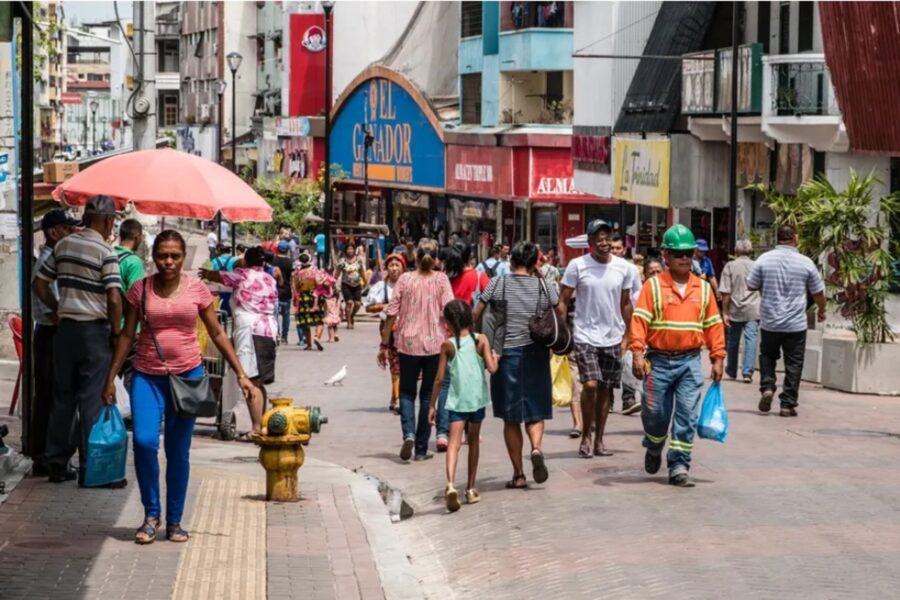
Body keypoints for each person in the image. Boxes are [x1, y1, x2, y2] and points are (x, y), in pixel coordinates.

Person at [103, 230, 258, 545]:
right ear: (154, 256)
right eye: (162, 255)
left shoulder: (197, 290)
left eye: (174, 255)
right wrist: (111, 376)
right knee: (145, 443)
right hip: (147, 376)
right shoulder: (140, 289)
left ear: (183, 257)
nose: (168, 262)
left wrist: (241, 373)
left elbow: (216, 332)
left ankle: (174, 521)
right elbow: (126, 335)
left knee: (177, 451)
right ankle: (150, 514)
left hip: (188, 378)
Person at [33, 195, 123, 486]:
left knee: (63, 398)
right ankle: (90, 469)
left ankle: (57, 464)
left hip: (66, 331)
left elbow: (39, 284)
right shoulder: (105, 251)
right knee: (91, 401)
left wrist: (59, 308)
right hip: (94, 333)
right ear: (108, 221)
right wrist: (116, 329)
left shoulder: (63, 245)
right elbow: (113, 296)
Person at [630, 225, 725, 487]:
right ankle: (654, 445)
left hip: (690, 362)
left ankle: (679, 464)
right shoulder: (653, 286)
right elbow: (639, 321)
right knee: (655, 414)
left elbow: (714, 325)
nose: (684, 258)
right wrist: (637, 353)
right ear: (666, 256)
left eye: (688, 253)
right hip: (657, 362)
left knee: (686, 415)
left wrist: (718, 358)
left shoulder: (703, 289)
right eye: (678, 253)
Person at [474, 241, 557, 489]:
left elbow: (477, 311)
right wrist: (540, 274)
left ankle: (519, 474)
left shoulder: (498, 283)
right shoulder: (545, 285)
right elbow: (556, 304)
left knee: (511, 418)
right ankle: (536, 449)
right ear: (534, 263)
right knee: (536, 411)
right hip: (537, 353)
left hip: (504, 354)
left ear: (511, 262)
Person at [558, 221, 634, 459]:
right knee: (590, 384)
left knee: (605, 390)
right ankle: (585, 436)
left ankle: (599, 439)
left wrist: (628, 336)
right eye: (598, 238)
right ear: (589, 242)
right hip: (584, 335)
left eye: (607, 237)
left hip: (612, 337)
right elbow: (563, 300)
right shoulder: (577, 266)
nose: (604, 242)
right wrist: (562, 333)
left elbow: (626, 303)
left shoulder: (624, 268)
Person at [379, 239, 453, 462]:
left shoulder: (405, 279)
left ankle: (408, 434)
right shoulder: (441, 280)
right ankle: (421, 448)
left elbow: (391, 313)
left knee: (407, 392)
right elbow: (450, 309)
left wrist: (384, 344)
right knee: (428, 395)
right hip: (435, 345)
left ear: (416, 258)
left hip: (407, 343)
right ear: (435, 258)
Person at [747, 225, 826, 417]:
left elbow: (751, 284)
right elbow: (818, 292)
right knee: (794, 363)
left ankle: (767, 386)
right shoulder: (806, 263)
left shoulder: (764, 260)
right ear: (795, 238)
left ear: (778, 238)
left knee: (767, 356)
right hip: (795, 324)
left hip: (770, 321)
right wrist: (822, 310)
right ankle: (787, 404)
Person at [429, 300, 498, 512]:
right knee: (474, 442)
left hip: (457, 401)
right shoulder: (481, 340)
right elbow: (492, 368)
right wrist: (495, 356)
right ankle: (470, 488)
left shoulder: (448, 345)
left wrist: (432, 405)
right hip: (477, 400)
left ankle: (450, 485)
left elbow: (439, 379)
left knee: (453, 443)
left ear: (448, 323)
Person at [200, 247, 277, 436]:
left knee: (249, 379)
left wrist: (207, 273)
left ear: (246, 261)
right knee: (258, 380)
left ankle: (257, 429)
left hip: (249, 329)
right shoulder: (269, 278)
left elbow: (219, 277)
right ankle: (262, 424)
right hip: (269, 329)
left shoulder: (242, 275)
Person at [30, 209, 79, 476]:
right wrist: (57, 311)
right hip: (49, 332)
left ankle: (46, 455)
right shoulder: (49, 257)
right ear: (53, 232)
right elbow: (39, 286)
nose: (71, 232)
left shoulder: (56, 256)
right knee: (49, 396)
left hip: (51, 331)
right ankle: (43, 457)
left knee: (51, 395)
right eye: (67, 228)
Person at [365, 253, 406, 413]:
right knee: (395, 363)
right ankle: (397, 399)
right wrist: (384, 307)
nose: (394, 269)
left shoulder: (409, 284)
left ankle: (395, 395)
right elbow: (368, 307)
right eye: (391, 265)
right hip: (389, 329)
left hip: (409, 328)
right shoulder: (381, 287)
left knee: (404, 364)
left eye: (397, 265)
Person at [610, 233, 643, 416]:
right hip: (607, 323)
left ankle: (628, 399)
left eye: (618, 248)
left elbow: (638, 294)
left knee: (628, 360)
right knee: (610, 361)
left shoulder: (631, 270)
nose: (615, 251)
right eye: (612, 247)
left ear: (624, 250)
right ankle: (607, 399)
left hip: (627, 320)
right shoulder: (602, 268)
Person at [719, 239, 761, 383]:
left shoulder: (730, 266)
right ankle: (747, 372)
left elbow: (725, 292)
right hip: (753, 308)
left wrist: (724, 312)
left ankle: (731, 370)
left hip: (735, 309)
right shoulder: (757, 266)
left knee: (733, 341)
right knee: (751, 339)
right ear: (751, 251)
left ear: (735, 252)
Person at [292, 253, 324, 351]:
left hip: (303, 297)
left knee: (305, 322)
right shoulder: (316, 271)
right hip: (316, 296)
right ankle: (317, 337)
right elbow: (319, 283)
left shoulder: (297, 273)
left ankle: (309, 344)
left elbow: (295, 287)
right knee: (319, 320)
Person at [336, 244, 366, 329]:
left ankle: (352, 315)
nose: (350, 251)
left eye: (352, 249)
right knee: (349, 303)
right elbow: (337, 273)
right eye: (348, 249)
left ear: (354, 250)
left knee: (357, 304)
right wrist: (333, 282)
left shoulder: (359, 261)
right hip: (346, 284)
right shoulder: (342, 261)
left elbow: (362, 272)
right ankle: (349, 322)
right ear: (346, 251)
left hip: (357, 284)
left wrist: (366, 281)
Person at [115, 219, 146, 295]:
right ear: (137, 237)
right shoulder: (134, 262)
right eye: (141, 236)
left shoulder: (108, 253)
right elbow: (135, 296)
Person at [273, 241, 295, 345]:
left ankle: (276, 334)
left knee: (275, 314)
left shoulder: (273, 260)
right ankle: (284, 336)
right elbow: (292, 278)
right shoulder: (291, 262)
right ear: (287, 250)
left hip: (274, 289)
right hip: (286, 290)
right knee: (286, 315)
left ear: (277, 249)